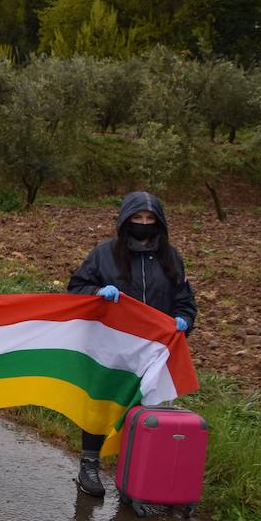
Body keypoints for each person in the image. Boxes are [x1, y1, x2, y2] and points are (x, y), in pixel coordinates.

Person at [66, 191, 197, 499]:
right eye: (137, 218)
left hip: (152, 351)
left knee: (146, 411)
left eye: (150, 219)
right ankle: (89, 464)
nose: (143, 224)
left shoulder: (171, 258)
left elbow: (185, 301)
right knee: (101, 404)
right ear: (125, 221)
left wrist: (183, 321)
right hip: (110, 348)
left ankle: (137, 474)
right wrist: (98, 291)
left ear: (159, 223)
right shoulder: (104, 254)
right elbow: (76, 289)